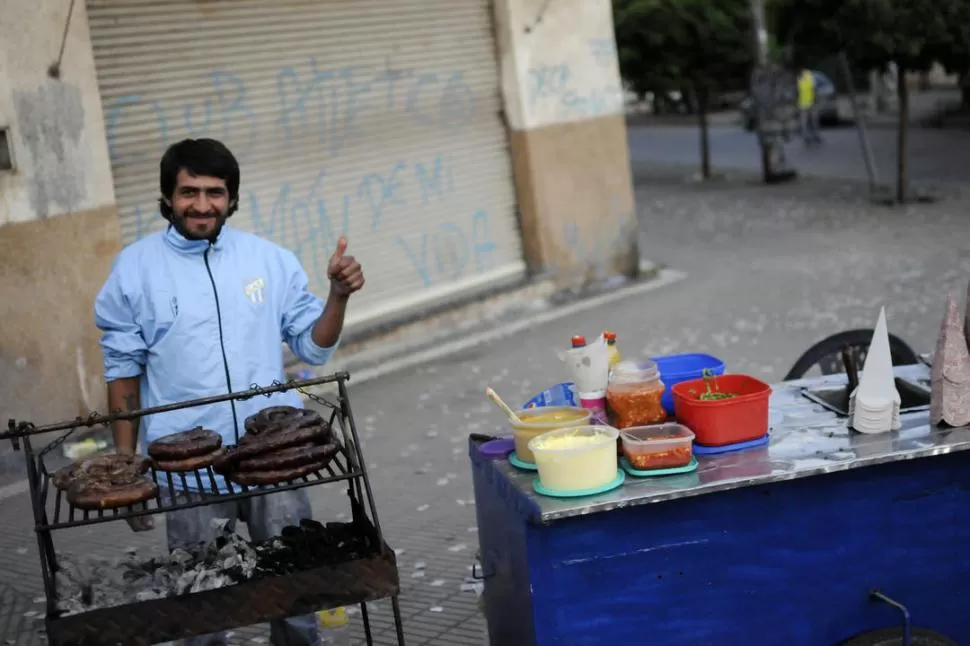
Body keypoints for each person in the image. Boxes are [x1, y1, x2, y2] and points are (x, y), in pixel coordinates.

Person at [95, 138, 364, 646]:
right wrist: (126, 464)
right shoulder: (133, 270)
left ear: (232, 198)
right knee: (202, 610)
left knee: (294, 597)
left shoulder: (271, 261)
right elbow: (122, 373)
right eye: (188, 191)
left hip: (274, 462)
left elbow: (312, 346)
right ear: (167, 196)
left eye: (214, 192)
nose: (201, 205)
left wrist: (338, 296)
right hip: (188, 475)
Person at [797, 68, 822, 145]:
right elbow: (813, 88)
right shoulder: (808, 77)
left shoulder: (802, 78)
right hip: (808, 103)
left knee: (806, 121)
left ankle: (808, 137)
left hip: (805, 103)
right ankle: (814, 136)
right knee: (812, 120)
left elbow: (799, 91)